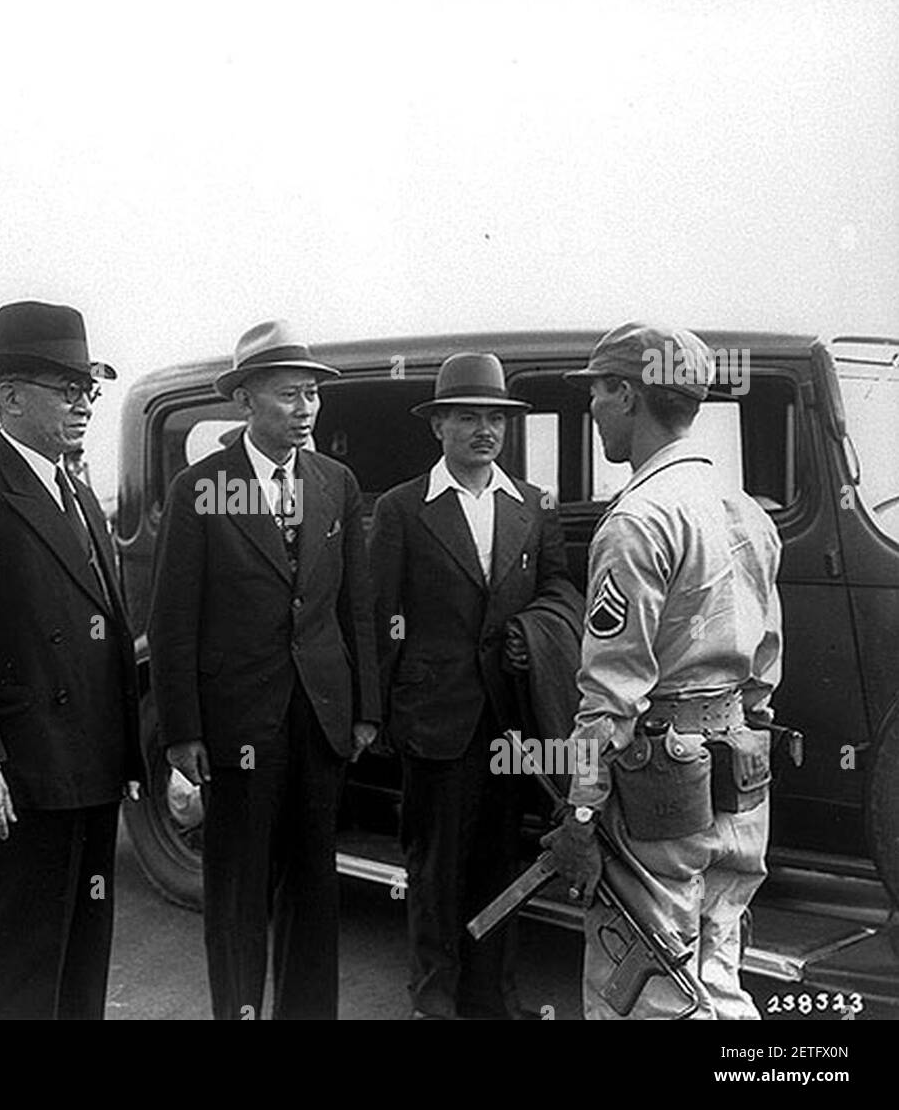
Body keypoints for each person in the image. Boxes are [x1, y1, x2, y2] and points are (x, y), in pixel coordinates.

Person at [543, 322, 782, 1019]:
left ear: (627, 393)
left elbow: (609, 698)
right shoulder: (745, 511)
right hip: (741, 777)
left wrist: (580, 818)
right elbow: (764, 674)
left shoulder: (637, 521)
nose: (592, 410)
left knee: (648, 991)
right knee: (719, 975)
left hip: (661, 787)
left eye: (597, 392)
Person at [0, 300, 142, 1020]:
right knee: (20, 966)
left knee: (82, 958)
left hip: (91, 764)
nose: (84, 406)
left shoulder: (77, 492)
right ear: (9, 395)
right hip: (21, 770)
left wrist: (129, 756)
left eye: (89, 391)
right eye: (66, 389)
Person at [148, 319, 380, 1020]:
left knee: (315, 885)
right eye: (288, 395)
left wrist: (365, 707)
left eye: (312, 395)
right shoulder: (202, 488)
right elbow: (172, 618)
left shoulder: (335, 483)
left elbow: (355, 605)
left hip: (319, 719)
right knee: (238, 889)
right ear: (246, 399)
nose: (306, 409)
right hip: (237, 723)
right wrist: (181, 730)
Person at [370, 352, 579, 1020]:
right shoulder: (405, 508)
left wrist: (534, 628)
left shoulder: (533, 505)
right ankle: (435, 1000)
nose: (483, 430)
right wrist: (380, 715)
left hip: (512, 721)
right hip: (434, 720)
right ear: (439, 427)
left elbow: (559, 589)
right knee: (435, 872)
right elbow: (380, 614)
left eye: (494, 418)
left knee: (503, 869)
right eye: (467, 418)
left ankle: (493, 997)